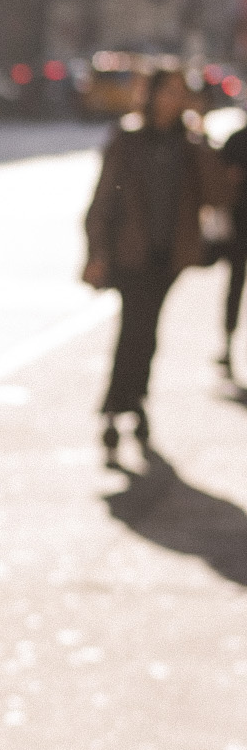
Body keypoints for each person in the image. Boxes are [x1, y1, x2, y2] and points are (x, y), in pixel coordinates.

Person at [83, 66, 222, 459]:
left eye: (182, 92)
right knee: (135, 329)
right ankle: (118, 406)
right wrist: (96, 252)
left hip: (170, 258)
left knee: (147, 330)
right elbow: (103, 201)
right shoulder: (127, 140)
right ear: (152, 95)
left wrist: (202, 134)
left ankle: (129, 402)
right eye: (168, 91)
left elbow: (217, 195)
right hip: (130, 255)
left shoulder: (190, 142)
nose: (174, 99)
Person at [217, 113, 247, 381]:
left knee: (235, 285)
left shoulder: (236, 141)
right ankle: (226, 342)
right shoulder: (237, 141)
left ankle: (227, 342)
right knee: (235, 285)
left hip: (238, 227)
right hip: (238, 228)